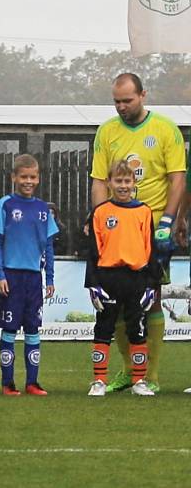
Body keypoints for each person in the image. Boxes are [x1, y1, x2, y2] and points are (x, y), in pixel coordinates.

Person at [90, 73, 186, 394]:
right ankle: (129, 371)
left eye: (127, 101)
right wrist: (99, 221)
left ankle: (151, 376)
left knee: (150, 300)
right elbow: (99, 181)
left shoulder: (165, 130)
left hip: (151, 233)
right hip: (117, 234)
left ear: (143, 95)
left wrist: (168, 221)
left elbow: (177, 180)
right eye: (116, 101)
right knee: (113, 303)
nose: (121, 107)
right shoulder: (107, 131)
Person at [85, 160, 160, 397]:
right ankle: (98, 380)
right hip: (108, 277)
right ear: (109, 183)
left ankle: (139, 381)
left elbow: (150, 250)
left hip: (136, 278)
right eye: (118, 181)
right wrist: (93, 284)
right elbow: (93, 252)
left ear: (134, 183)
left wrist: (152, 285)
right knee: (103, 328)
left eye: (127, 181)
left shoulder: (143, 211)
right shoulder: (100, 212)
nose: (123, 186)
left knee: (137, 329)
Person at [0, 154, 58, 396]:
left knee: (32, 329)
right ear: (14, 178)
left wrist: (49, 278)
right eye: (24, 176)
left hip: (33, 278)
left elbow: (49, 246)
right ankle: (8, 383)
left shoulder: (42, 209)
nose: (28, 181)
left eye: (33, 177)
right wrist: (0, 274)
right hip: (11, 275)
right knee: (9, 329)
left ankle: (32, 382)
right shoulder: (5, 205)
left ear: (38, 178)